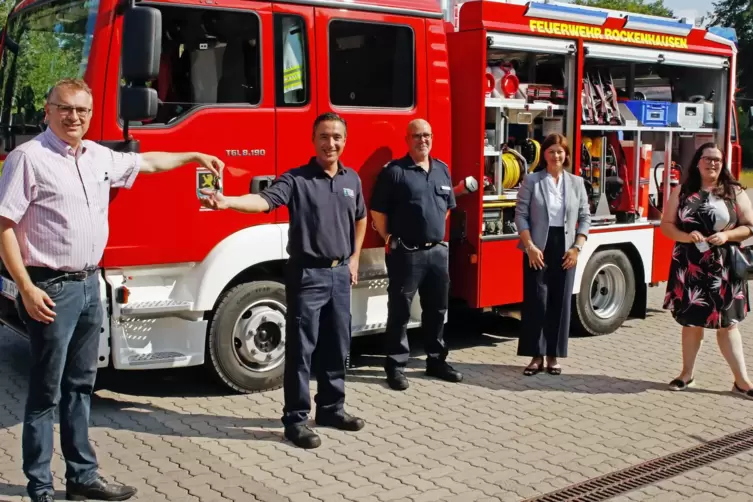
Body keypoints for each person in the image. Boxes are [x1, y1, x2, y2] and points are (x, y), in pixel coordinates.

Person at [0, 78, 224, 502]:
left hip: (89, 286)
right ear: (47, 111)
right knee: (45, 393)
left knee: (81, 386)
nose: (74, 117)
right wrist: (26, 288)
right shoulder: (27, 158)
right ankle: (41, 486)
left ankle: (82, 477)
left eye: (83, 111)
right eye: (65, 109)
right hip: (50, 290)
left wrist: (193, 153)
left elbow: (150, 163)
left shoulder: (99, 156)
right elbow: (5, 226)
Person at [199, 112, 367, 448]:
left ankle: (332, 408)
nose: (330, 143)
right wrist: (227, 200)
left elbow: (360, 218)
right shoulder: (296, 180)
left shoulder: (352, 180)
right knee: (301, 351)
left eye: (336, 136)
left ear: (344, 141)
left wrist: (354, 259)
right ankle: (295, 420)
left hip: (338, 274)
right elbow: (263, 202)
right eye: (323, 136)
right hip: (308, 274)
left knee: (337, 345)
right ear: (313, 140)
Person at [370, 118, 463, 391]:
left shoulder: (442, 170)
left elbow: (447, 207)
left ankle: (436, 361)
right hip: (406, 254)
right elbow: (378, 210)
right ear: (407, 139)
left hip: (436, 253)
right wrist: (389, 238)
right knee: (399, 311)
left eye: (427, 135)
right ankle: (396, 366)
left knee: (437, 310)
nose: (423, 140)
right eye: (417, 136)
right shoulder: (395, 172)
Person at [661, 142, 753, 398]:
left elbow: (750, 226)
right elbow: (666, 225)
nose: (712, 164)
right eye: (708, 158)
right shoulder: (682, 191)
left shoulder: (734, 191)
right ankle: (686, 374)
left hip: (724, 267)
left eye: (717, 160)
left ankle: (742, 381)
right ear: (697, 161)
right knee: (691, 323)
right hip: (689, 264)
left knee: (728, 325)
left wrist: (727, 236)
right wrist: (686, 236)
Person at [514, 133, 590, 376]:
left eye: (560, 151)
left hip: (566, 247)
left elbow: (586, 217)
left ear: (566, 154)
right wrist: (530, 247)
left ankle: (553, 356)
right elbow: (520, 214)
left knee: (560, 301)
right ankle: (535, 356)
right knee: (537, 300)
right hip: (538, 247)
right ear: (543, 155)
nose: (556, 156)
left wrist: (577, 247)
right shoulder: (532, 180)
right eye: (551, 151)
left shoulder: (576, 183)